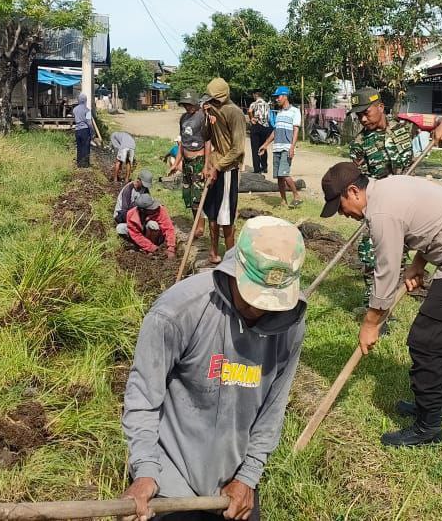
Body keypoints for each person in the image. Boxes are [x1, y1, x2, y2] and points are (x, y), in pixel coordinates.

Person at [120, 216, 307, 521]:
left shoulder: (289, 322)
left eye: (271, 302)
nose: (260, 308)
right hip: (170, 479)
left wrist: (247, 477)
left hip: (232, 483)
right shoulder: (178, 311)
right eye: (252, 296)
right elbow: (143, 397)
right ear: (235, 269)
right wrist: (145, 471)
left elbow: (273, 408)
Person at [320, 161, 442, 447]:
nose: (343, 214)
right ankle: (441, 408)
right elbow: (432, 223)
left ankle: (428, 428)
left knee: (426, 342)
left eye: (340, 206)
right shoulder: (391, 186)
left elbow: (386, 273)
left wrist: (370, 324)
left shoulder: (381, 212)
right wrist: (418, 264)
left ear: (353, 191)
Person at [348, 87, 442, 309]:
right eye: (358, 116)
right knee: (372, 254)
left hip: (411, 202)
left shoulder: (405, 124)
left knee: (402, 252)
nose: (363, 119)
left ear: (380, 107)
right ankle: (372, 304)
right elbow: (359, 183)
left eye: (366, 113)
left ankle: (389, 302)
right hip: (381, 206)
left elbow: (439, 119)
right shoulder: (359, 144)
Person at [202, 78, 247, 265]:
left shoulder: (235, 113)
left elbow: (238, 149)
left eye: (215, 100)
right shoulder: (212, 110)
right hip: (214, 166)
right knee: (212, 213)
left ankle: (230, 260)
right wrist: (206, 118)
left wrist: (218, 167)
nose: (213, 102)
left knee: (226, 217)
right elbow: (206, 136)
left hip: (227, 169)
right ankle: (213, 253)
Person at [170, 91, 211, 240]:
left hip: (198, 161)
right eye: (185, 104)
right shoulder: (183, 118)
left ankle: (200, 228)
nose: (188, 107)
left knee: (197, 196)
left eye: (190, 104)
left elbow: (207, 141)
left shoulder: (202, 117)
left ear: (195, 103)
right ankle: (196, 224)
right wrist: (176, 163)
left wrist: (206, 165)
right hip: (187, 162)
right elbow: (182, 143)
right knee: (188, 194)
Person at [258, 86, 302, 208]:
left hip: (286, 147)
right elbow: (275, 131)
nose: (277, 99)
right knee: (279, 176)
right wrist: (265, 145)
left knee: (284, 173)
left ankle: (296, 196)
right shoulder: (279, 113)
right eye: (276, 97)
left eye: (278, 96)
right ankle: (283, 200)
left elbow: (296, 130)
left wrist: (292, 147)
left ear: (285, 96)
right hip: (277, 147)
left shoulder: (295, 111)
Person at [72, 93, 102, 168]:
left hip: (77, 130)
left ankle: (79, 164)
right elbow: (89, 123)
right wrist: (92, 132)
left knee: (79, 146)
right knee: (86, 146)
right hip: (85, 130)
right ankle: (85, 164)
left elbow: (75, 118)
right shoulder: (87, 110)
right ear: (85, 100)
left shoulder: (74, 109)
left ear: (79, 100)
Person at [247, 89, 272, 175]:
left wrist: (251, 118)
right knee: (263, 146)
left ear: (255, 95)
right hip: (265, 126)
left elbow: (250, 111)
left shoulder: (254, 104)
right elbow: (268, 116)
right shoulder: (267, 104)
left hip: (256, 125)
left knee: (255, 148)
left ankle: (257, 168)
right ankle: (264, 166)